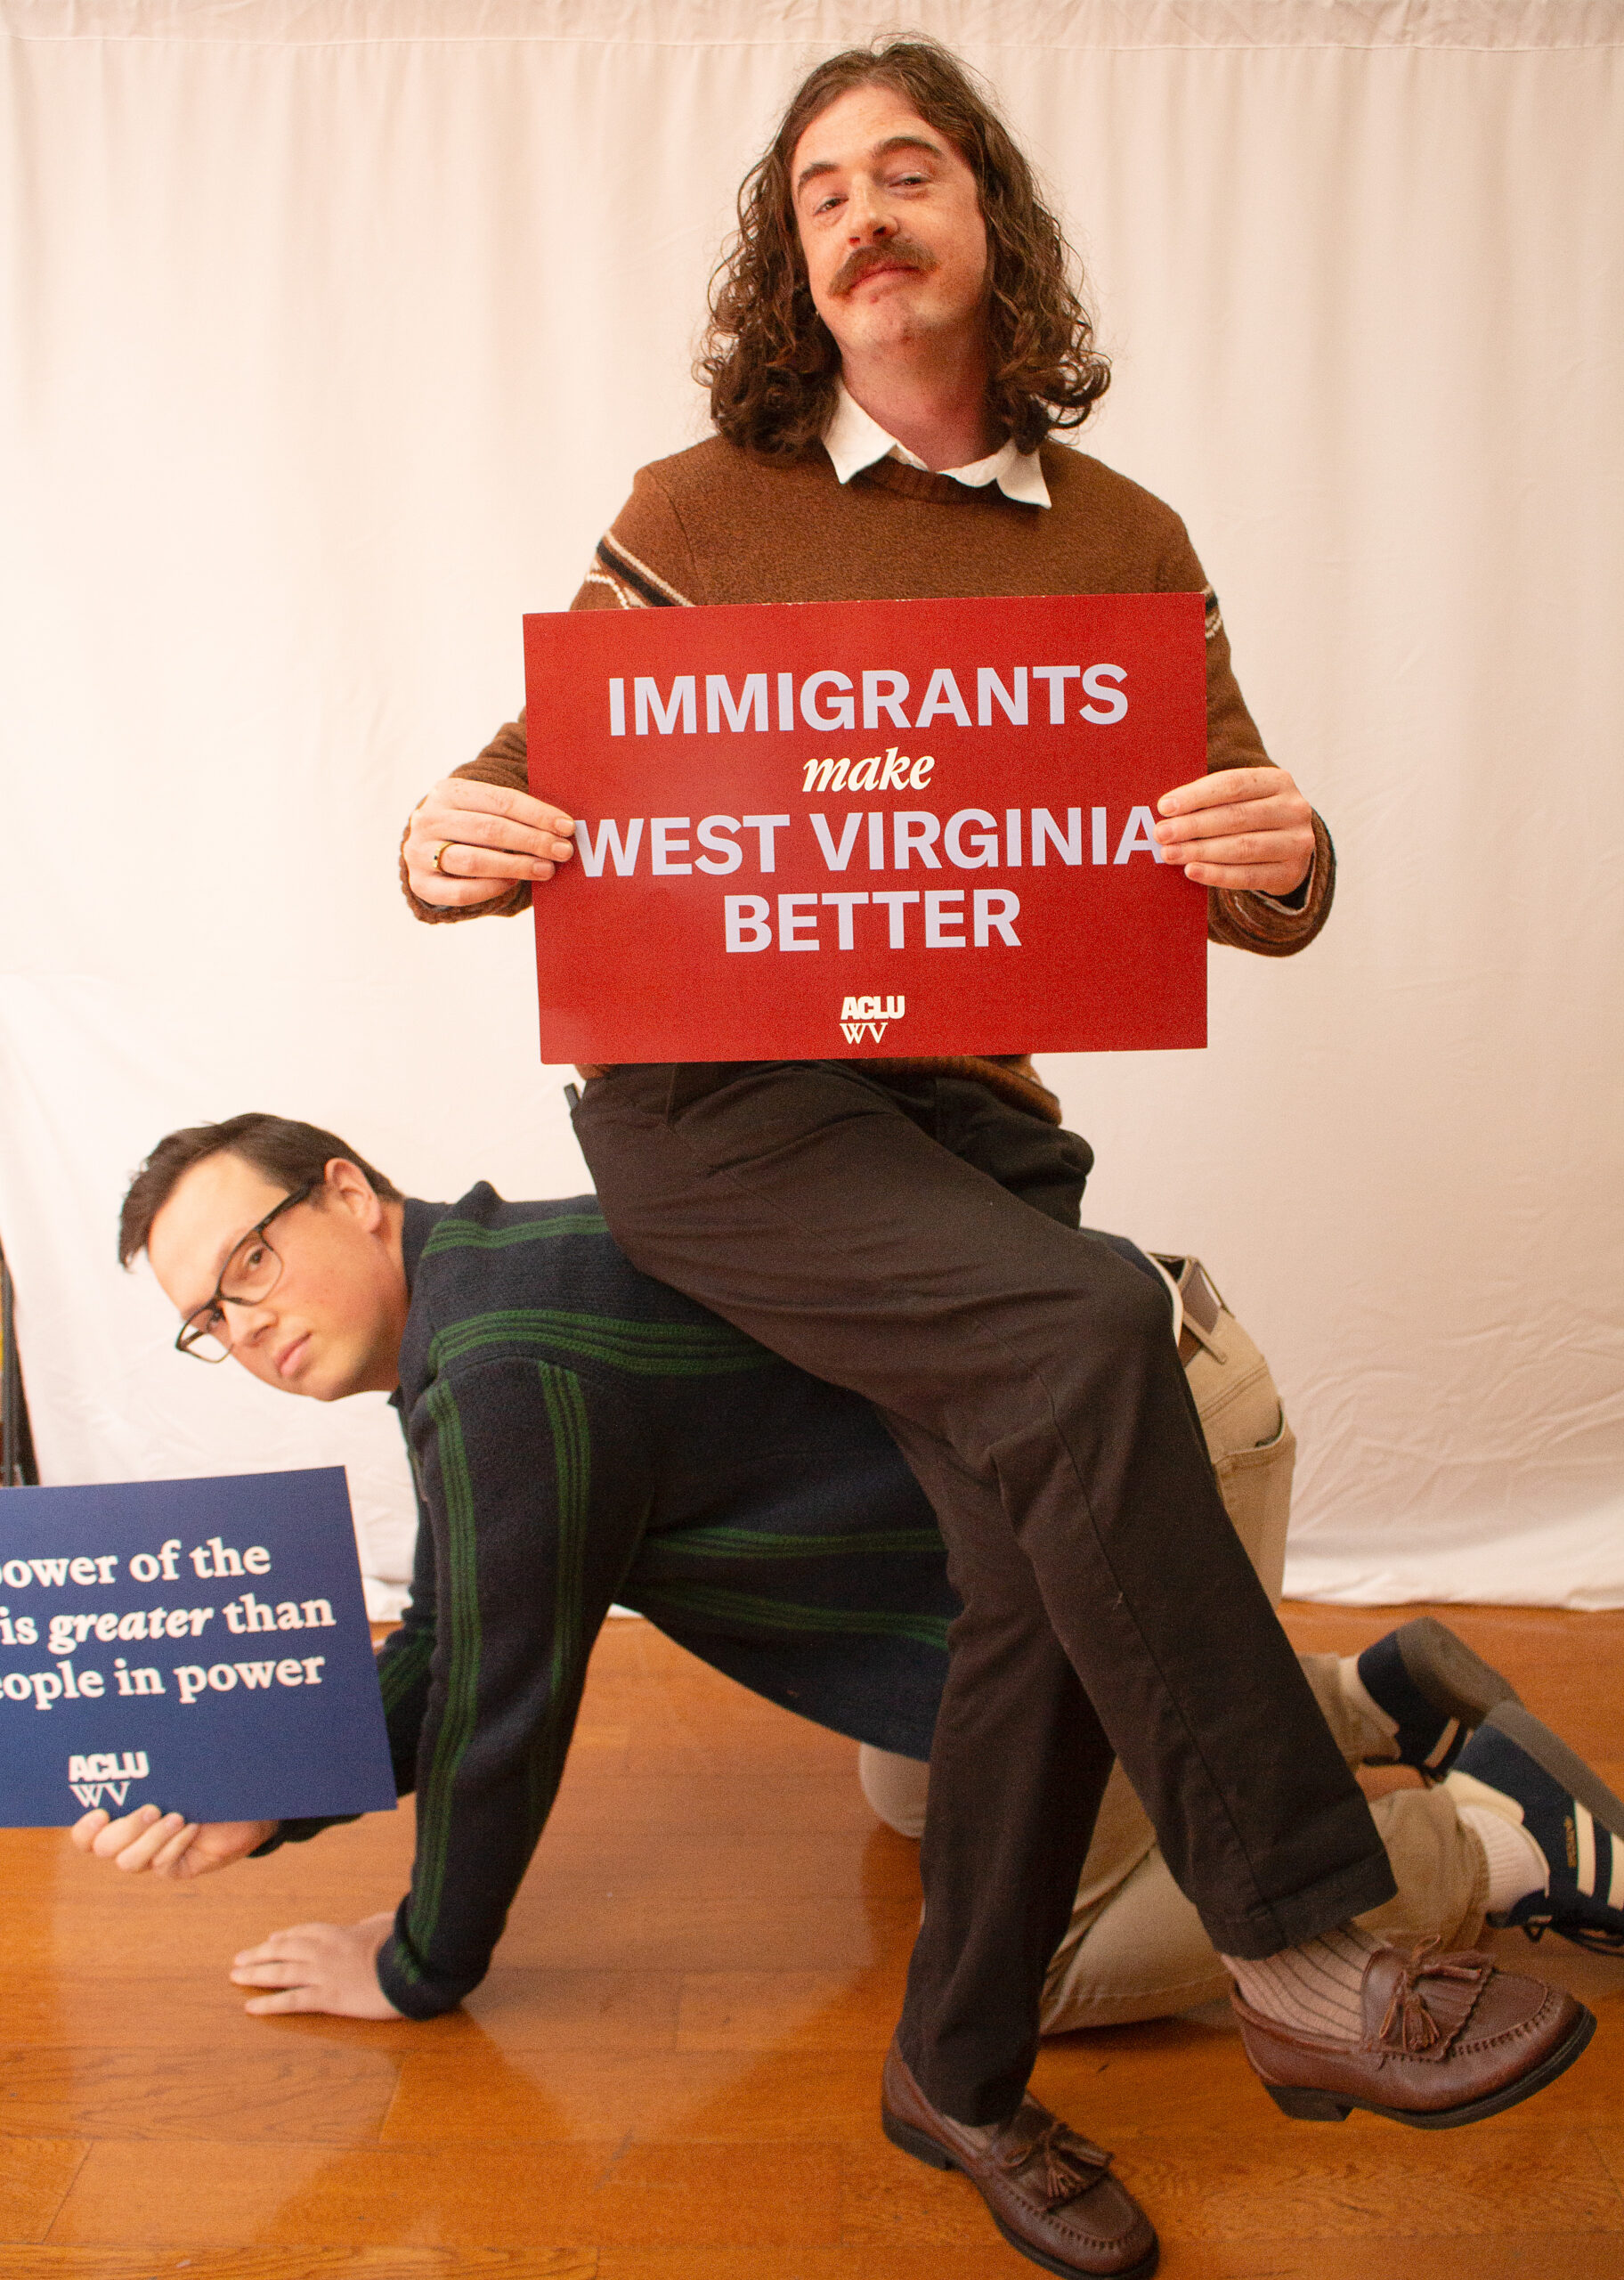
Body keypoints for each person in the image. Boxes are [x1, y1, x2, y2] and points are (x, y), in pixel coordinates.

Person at [396, 40, 1597, 2276]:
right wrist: (438, 838)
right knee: (1092, 1322)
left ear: (987, 227)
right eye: (821, 185)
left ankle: (955, 2074)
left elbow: (1244, 857)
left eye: (908, 169)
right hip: (718, 1105)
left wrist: (1297, 848)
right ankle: (1310, 1948)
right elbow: (519, 776)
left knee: (1029, 1559)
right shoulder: (700, 501)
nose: (862, 210)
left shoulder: (1126, 541)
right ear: (797, 256)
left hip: (964, 1125)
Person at [85, 1115, 1623, 2048]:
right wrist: (271, 1787)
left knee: (1046, 1971)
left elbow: (496, 1709)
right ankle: (1369, 1697)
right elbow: (465, 1635)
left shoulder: (496, 1371)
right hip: (1080, 1440)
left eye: (255, 1260)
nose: (247, 1324)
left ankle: (1488, 1842)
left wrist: (419, 1965)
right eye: (207, 1319)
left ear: (350, 1191)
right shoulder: (485, 1290)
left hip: (1126, 1464)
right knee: (912, 1806)